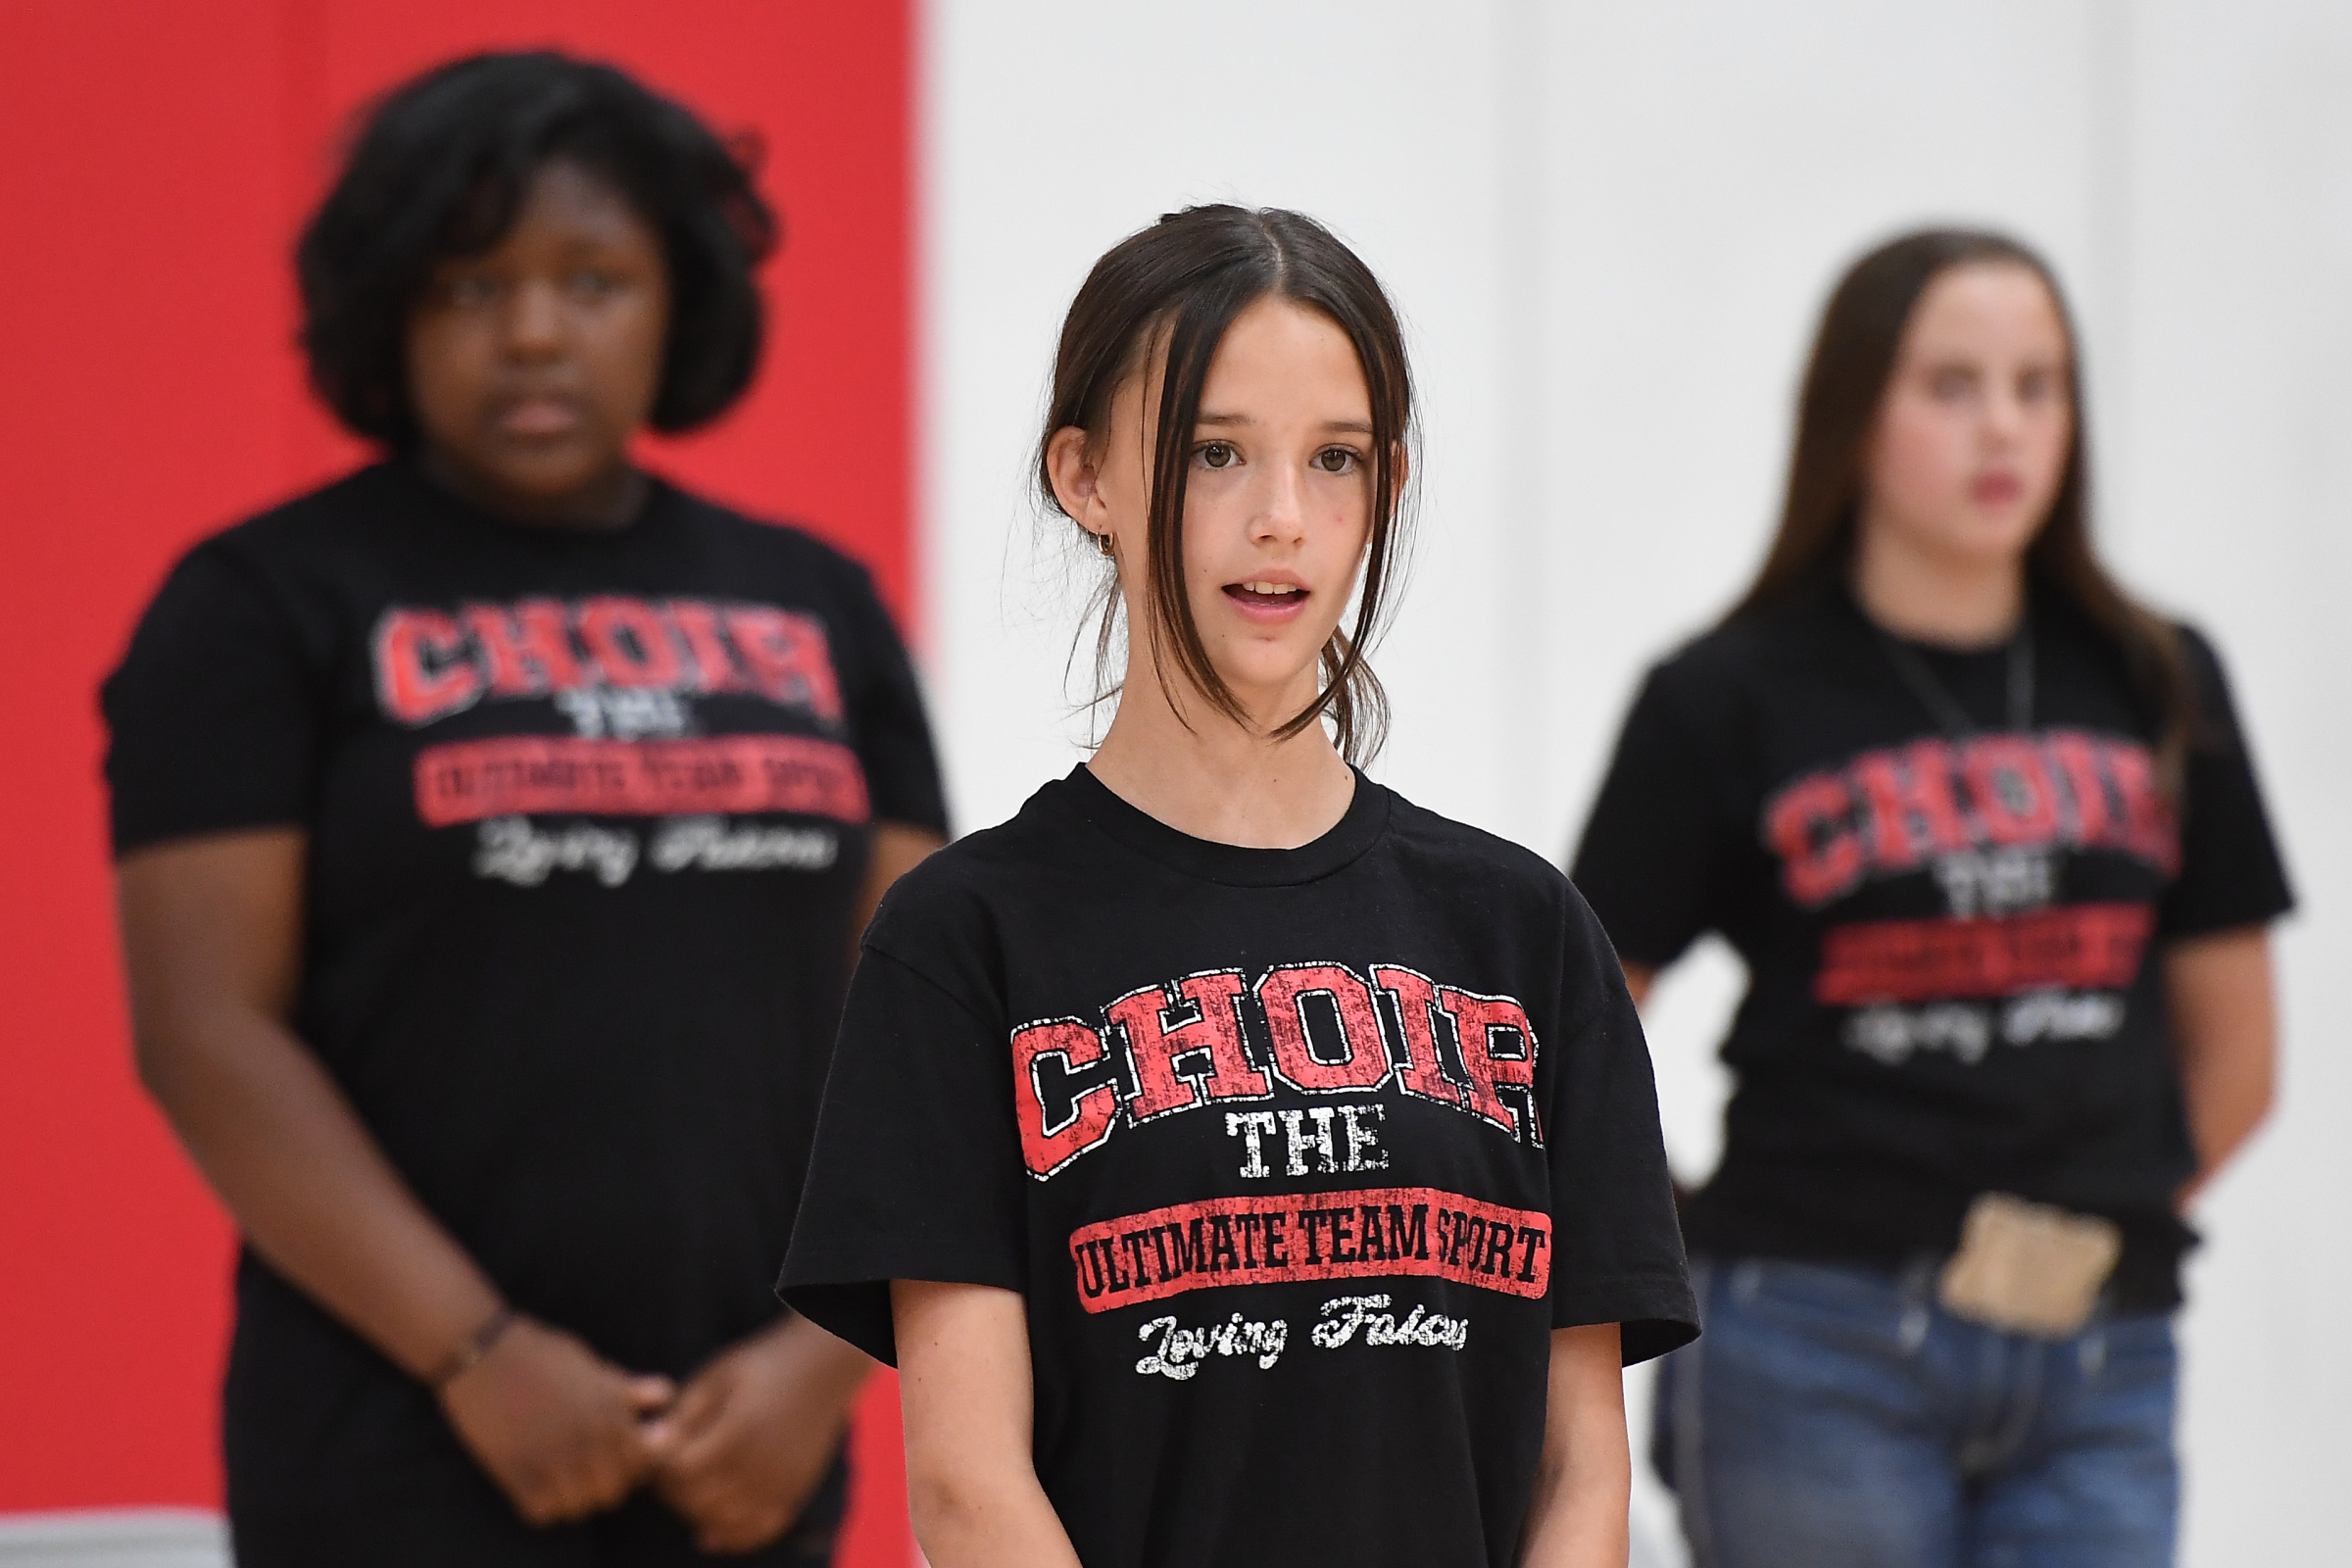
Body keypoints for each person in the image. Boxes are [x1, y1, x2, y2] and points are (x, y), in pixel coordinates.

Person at [103, 52, 946, 1566]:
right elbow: (207, 1035)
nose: (537, 331)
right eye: (472, 288)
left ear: (679, 298)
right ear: (390, 311)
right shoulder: (257, 609)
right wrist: (478, 1356)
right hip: (397, 1457)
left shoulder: (816, 607)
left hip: (747, 1455)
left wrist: (829, 1358)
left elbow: (925, 1017)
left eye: (594, 279)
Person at [777, 205, 1697, 1568]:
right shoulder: (966, 942)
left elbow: (1579, 1474)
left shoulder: (1527, 937)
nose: (1282, 521)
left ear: (1381, 488)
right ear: (1086, 477)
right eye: (1216, 453)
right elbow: (969, 1488)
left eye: (1334, 460)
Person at [1570, 229, 2294, 1568]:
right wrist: (1696, 1243)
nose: (2003, 428)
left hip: (2099, 1354)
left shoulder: (2161, 683)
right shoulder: (1723, 699)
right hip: (1813, 1342)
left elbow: (2241, 1056)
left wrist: (2084, 1211)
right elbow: (1570, 1036)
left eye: (2040, 384)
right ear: (1853, 412)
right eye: (1950, 385)